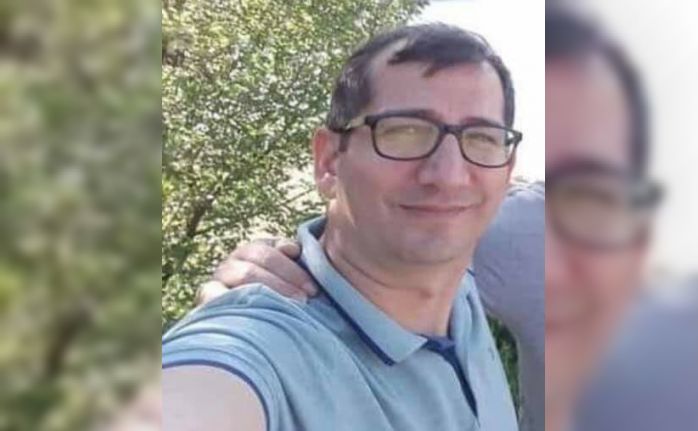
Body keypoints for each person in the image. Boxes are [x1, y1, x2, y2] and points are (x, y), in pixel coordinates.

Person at [163, 23, 522, 431]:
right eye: (405, 132)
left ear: (507, 167)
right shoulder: (267, 348)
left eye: (482, 138)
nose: (450, 177)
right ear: (329, 161)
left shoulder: (464, 280)